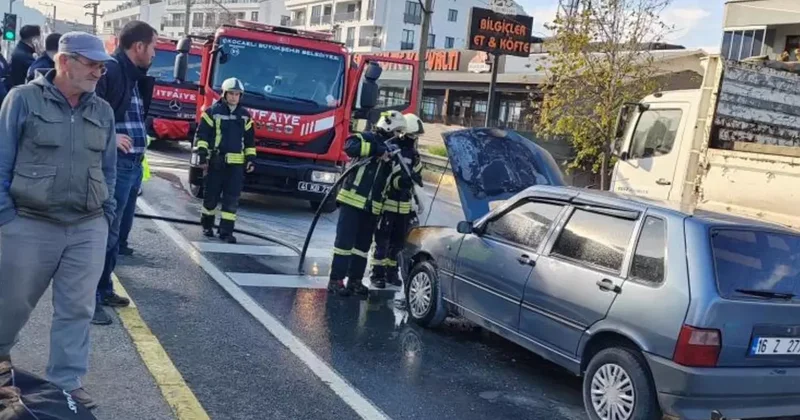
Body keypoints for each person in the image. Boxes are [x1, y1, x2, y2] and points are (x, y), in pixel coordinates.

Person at [0, 31, 117, 409]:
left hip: (87, 225)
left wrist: (106, 218)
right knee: (12, 302)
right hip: (30, 222)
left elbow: (109, 169)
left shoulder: (102, 111)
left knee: (77, 308)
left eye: (102, 65)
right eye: (92, 64)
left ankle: (66, 384)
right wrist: (6, 219)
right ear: (64, 61)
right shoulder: (22, 99)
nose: (99, 72)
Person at [92, 20, 156, 326]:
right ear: (139, 47)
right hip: (117, 162)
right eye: (154, 46)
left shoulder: (131, 74)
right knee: (103, 231)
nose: (155, 53)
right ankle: (89, 298)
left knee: (116, 232)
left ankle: (103, 287)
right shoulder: (114, 70)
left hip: (132, 164)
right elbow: (91, 112)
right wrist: (111, 137)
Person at [327, 110, 406, 297]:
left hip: (373, 207)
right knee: (344, 244)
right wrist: (377, 150)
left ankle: (355, 280)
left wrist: (404, 180)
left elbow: (394, 179)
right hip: (352, 202)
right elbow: (350, 146)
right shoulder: (366, 138)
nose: (396, 136)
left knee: (362, 247)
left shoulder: (393, 150)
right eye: (396, 132)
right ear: (388, 126)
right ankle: (336, 280)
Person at [195, 77, 256, 243]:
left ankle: (226, 232)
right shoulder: (212, 112)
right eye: (231, 93)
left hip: (236, 167)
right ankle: (207, 225)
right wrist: (202, 153)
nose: (234, 97)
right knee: (211, 197)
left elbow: (250, 141)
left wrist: (250, 159)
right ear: (224, 93)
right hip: (216, 162)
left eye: (237, 94)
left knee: (231, 200)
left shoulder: (245, 116)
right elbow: (203, 135)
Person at [369, 113, 424, 289]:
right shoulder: (392, 149)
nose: (415, 139)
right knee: (382, 241)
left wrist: (415, 178)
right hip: (388, 203)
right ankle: (377, 273)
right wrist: (400, 182)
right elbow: (387, 175)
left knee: (398, 242)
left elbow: (416, 174)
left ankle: (391, 272)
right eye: (413, 135)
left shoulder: (414, 155)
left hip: (404, 206)